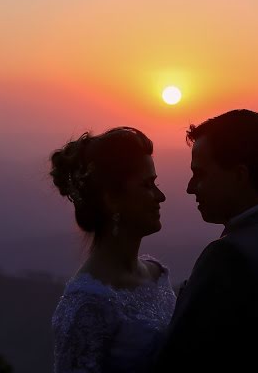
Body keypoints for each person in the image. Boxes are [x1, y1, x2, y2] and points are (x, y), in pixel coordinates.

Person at [154, 109, 258, 373]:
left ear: (239, 175)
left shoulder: (228, 255)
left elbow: (178, 360)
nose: (190, 187)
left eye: (200, 173)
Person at [50, 127, 174, 373]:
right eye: (147, 185)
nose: (161, 196)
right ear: (112, 199)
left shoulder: (157, 275)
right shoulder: (87, 303)